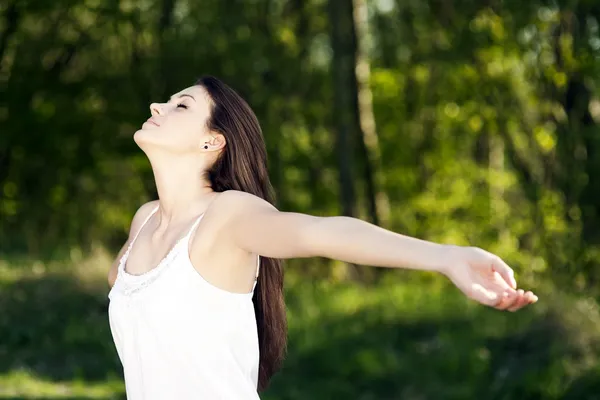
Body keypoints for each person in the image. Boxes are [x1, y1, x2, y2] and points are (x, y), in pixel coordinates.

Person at [107, 75, 538, 399]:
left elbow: (322, 232)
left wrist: (446, 257)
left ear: (212, 141)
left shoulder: (227, 214)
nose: (157, 106)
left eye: (180, 106)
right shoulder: (144, 221)